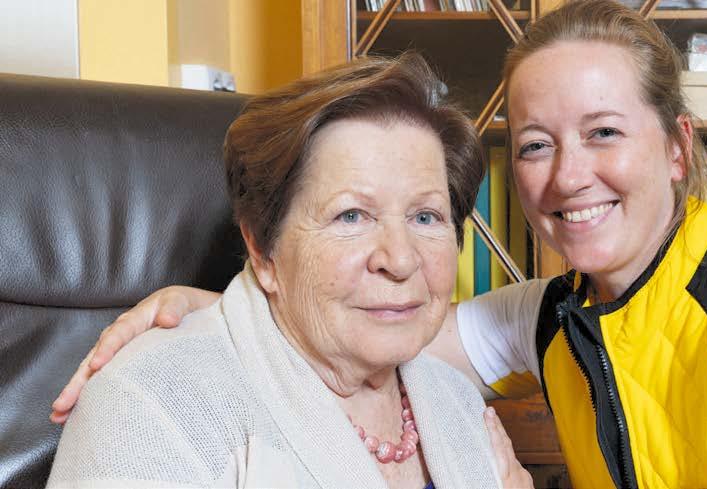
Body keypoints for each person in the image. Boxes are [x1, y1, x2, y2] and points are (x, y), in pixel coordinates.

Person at [52, 1, 707, 487]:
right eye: (534, 144)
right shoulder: (556, 312)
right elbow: (385, 323)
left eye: (604, 132)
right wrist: (229, 305)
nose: (568, 175)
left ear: (678, 148)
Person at [47, 53, 531, 489]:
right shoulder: (152, 402)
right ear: (262, 249)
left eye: (425, 217)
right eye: (351, 216)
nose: (401, 259)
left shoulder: (457, 403)